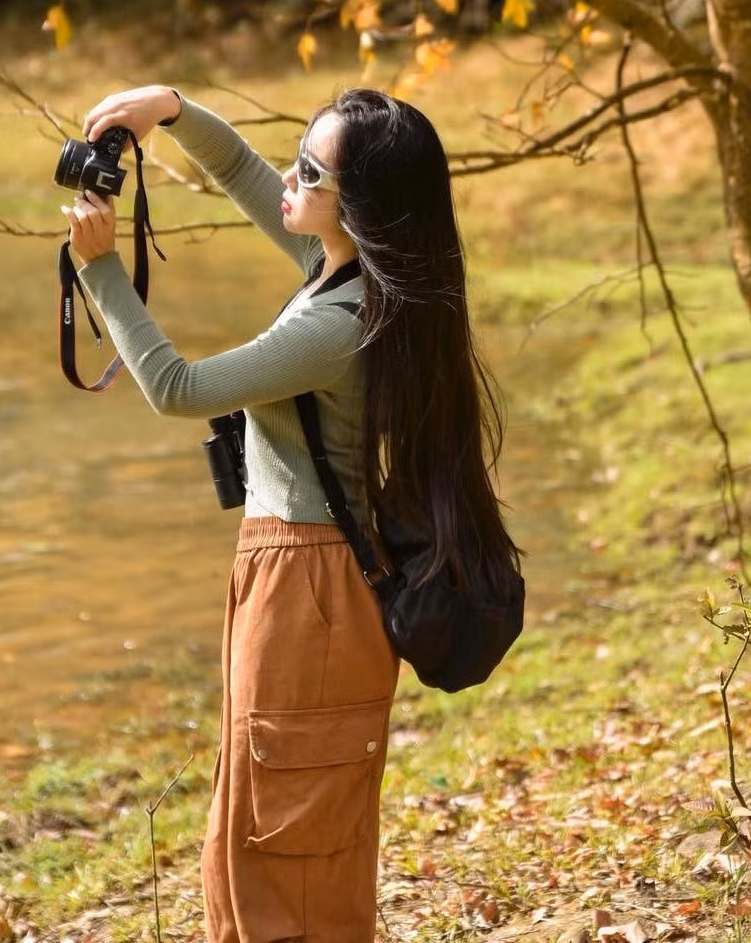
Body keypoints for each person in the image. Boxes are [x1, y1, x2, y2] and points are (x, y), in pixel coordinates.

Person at [61, 83, 520, 943]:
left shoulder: (340, 325)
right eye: (298, 158)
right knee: (253, 825)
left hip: (311, 587)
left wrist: (101, 270)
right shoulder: (345, 267)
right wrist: (171, 110)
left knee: (294, 849)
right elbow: (242, 169)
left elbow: (177, 388)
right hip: (288, 572)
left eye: (312, 172)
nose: (289, 178)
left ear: (363, 204)